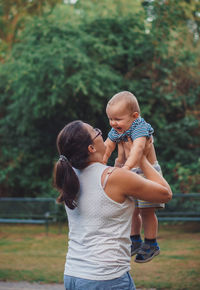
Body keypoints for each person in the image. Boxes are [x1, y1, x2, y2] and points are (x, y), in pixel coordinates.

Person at [53, 120, 172, 290]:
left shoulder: (71, 177)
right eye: (96, 131)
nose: (101, 133)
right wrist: (142, 159)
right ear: (91, 148)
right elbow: (165, 193)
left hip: (73, 274)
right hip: (106, 278)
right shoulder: (113, 177)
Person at [103, 91, 165, 263]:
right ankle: (135, 240)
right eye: (110, 119)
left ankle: (151, 243)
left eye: (117, 119)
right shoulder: (118, 129)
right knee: (131, 209)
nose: (113, 123)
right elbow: (107, 147)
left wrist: (127, 167)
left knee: (147, 211)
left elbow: (137, 150)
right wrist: (100, 164)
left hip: (147, 173)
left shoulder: (140, 127)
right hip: (128, 171)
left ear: (134, 116)